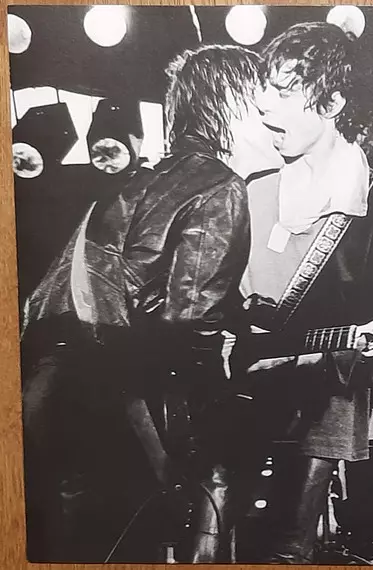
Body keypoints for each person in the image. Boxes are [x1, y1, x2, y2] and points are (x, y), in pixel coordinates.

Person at [20, 44, 277, 563]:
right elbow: (189, 320)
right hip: (119, 406)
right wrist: (214, 414)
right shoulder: (221, 187)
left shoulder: (133, 182)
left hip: (47, 391)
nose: (275, 119)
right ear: (235, 104)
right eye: (265, 104)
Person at [238, 22, 373, 563]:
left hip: (324, 395)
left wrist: (305, 356)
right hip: (236, 390)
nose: (266, 108)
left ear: (333, 102)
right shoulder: (254, 189)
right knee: (224, 534)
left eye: (284, 91)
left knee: (288, 547)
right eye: (265, 91)